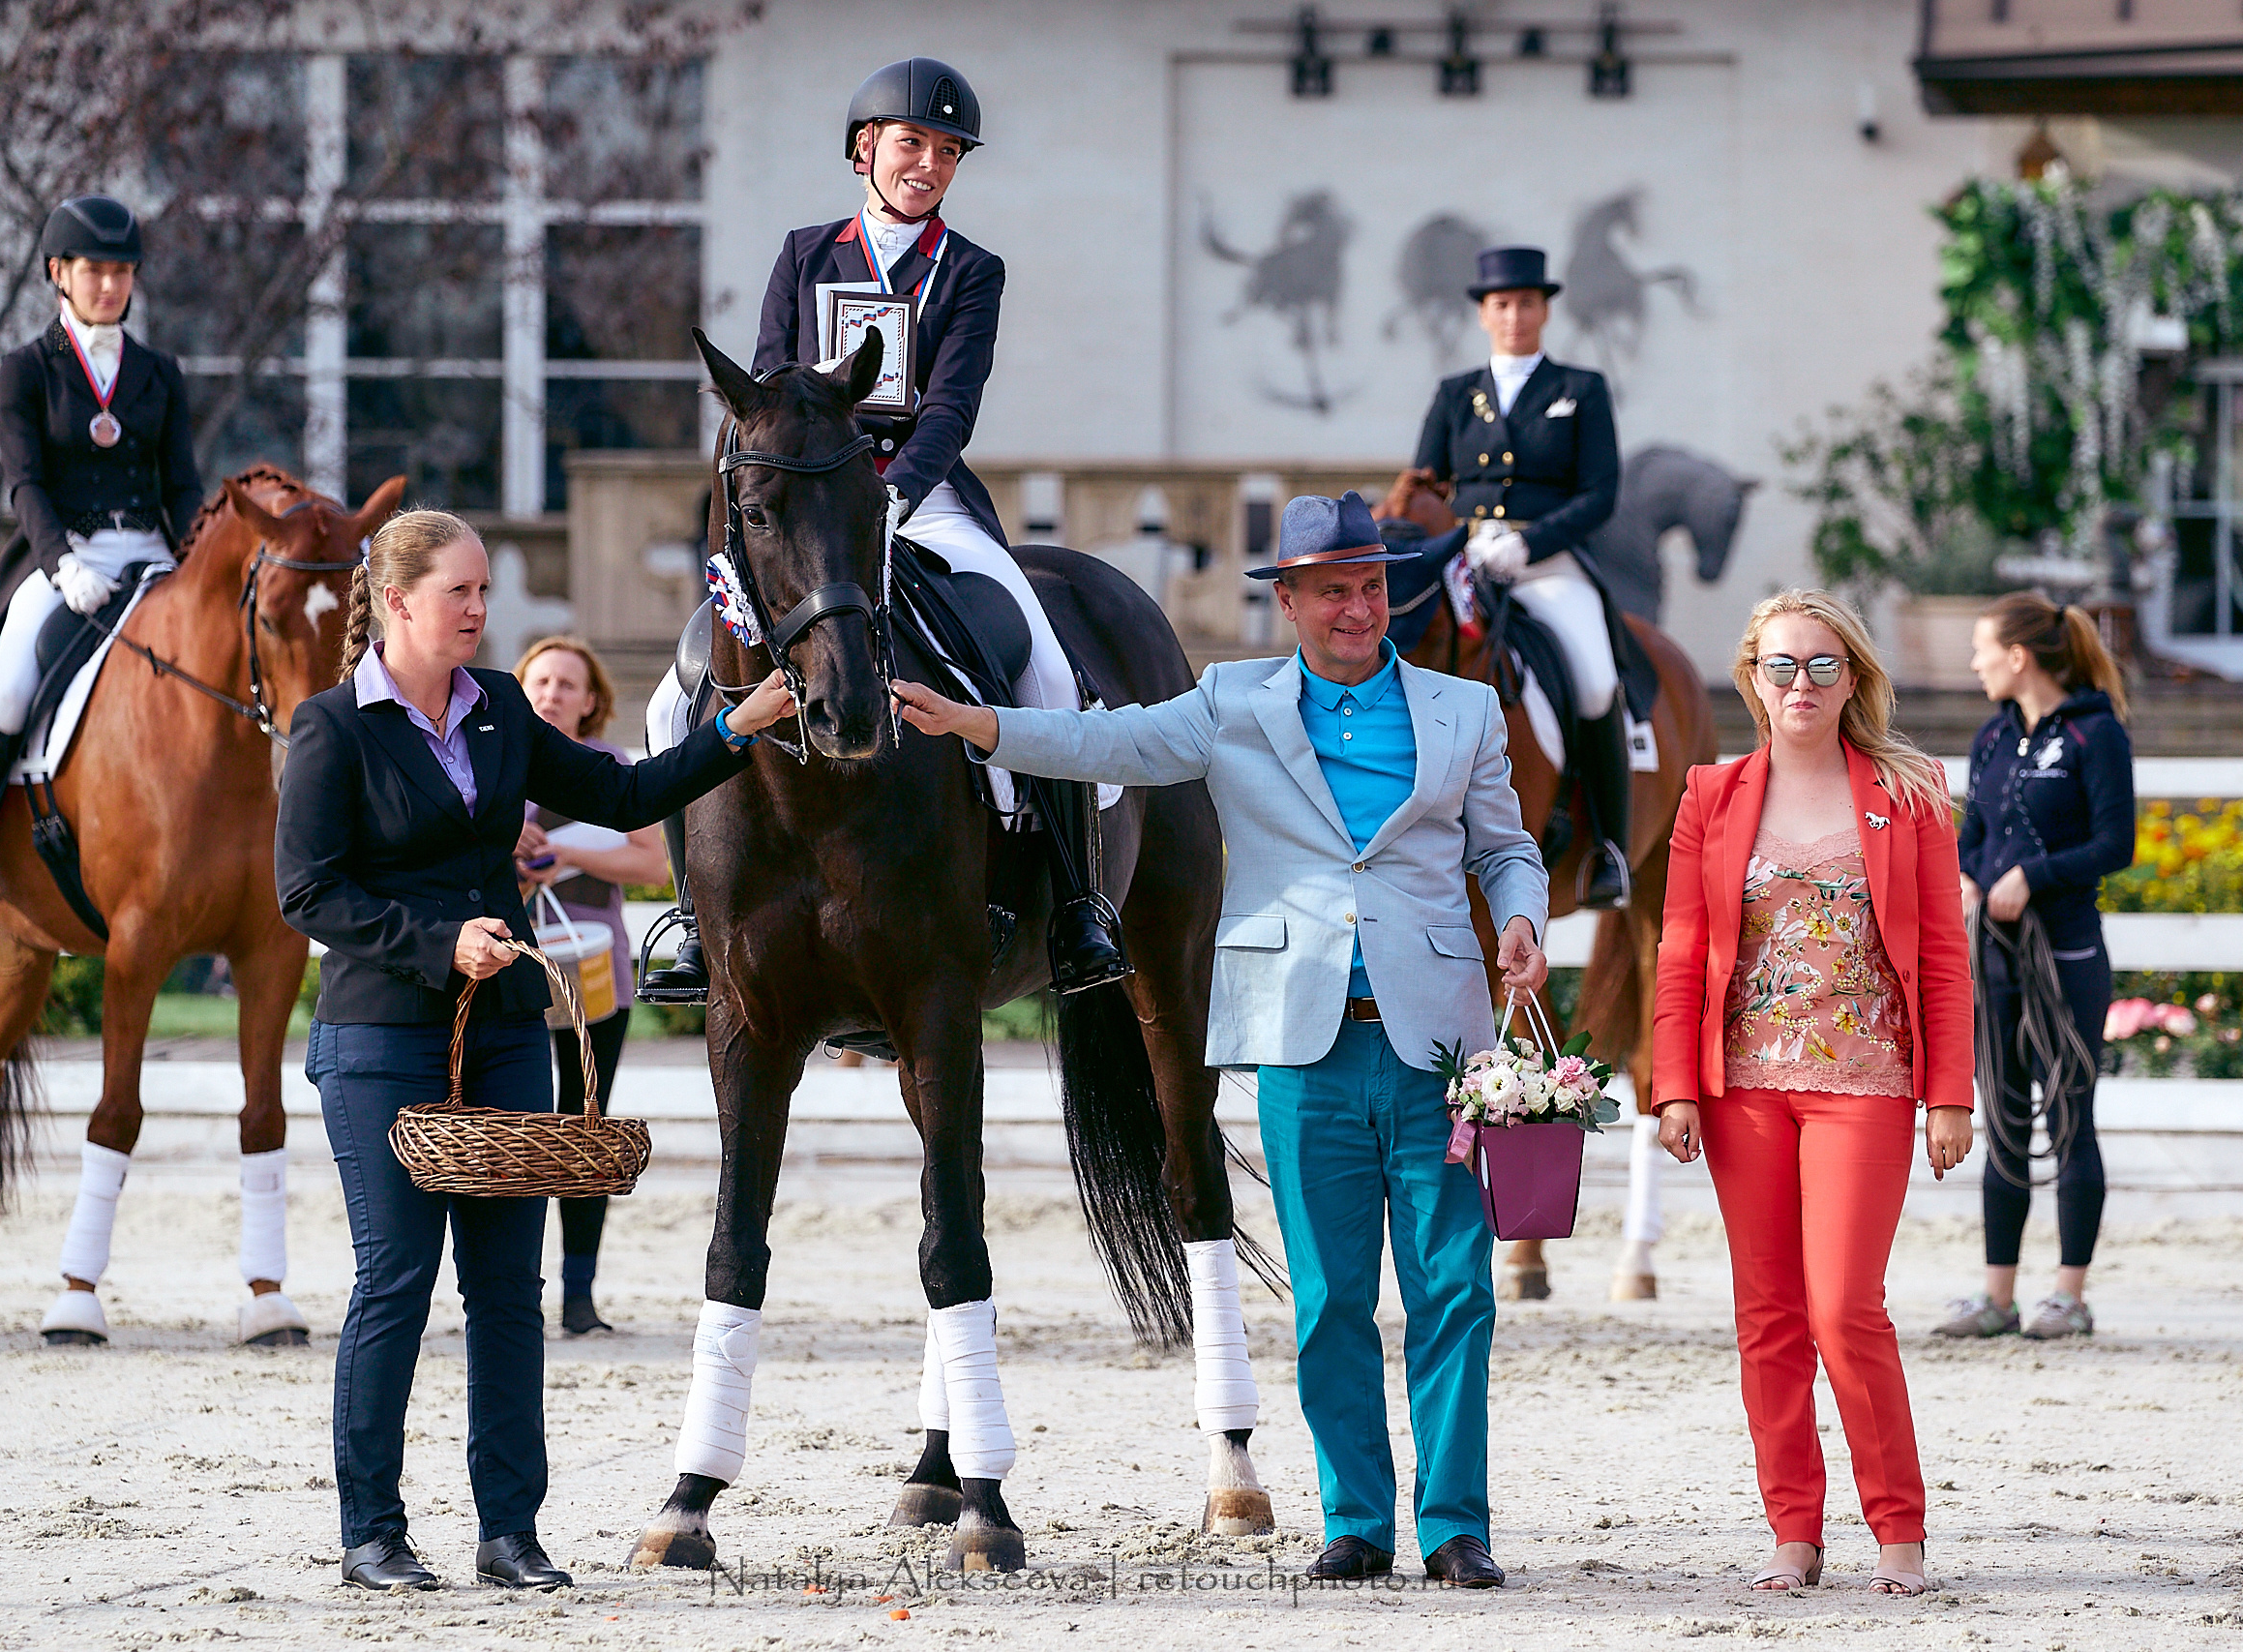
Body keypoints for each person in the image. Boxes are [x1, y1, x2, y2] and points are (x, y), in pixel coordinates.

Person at [893, 491, 1550, 1589]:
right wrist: (981, 727)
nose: (1357, 608)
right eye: (1332, 590)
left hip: (1438, 1044)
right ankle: (1355, 1522)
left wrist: (1521, 912)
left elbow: (1505, 846)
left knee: (1456, 1292)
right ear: (1286, 599)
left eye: (1372, 585)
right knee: (1333, 1298)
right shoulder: (1230, 702)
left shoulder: (1462, 711)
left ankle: (1454, 1526)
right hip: (1300, 1043)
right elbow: (1112, 739)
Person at [275, 509, 791, 1593]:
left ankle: (510, 1533)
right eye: (460, 592)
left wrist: (734, 729)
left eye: (482, 592)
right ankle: (373, 1533)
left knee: (509, 1289)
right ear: (400, 600)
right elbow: (308, 893)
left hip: (508, 1035)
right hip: (378, 1040)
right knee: (396, 1280)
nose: (479, 609)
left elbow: (619, 792)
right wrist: (434, 943)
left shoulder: (502, 708)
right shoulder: (332, 728)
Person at [643, 56, 1123, 1003]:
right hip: (811, 500)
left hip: (923, 490)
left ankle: (1075, 907)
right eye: (913, 143)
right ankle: (692, 921)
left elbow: (950, 407)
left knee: (1051, 676)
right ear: (866, 148)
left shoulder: (971, 271)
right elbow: (769, 388)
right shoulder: (805, 252)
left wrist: (894, 487)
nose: (930, 163)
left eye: (948, 152)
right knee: (675, 696)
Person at [1652, 588, 1975, 1599]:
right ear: (1750, 677)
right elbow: (1678, 952)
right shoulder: (1709, 793)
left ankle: (1898, 1532)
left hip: (1865, 1084)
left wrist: (1950, 1094)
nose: (1801, 683)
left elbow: (1942, 958)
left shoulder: (1907, 791)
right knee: (1767, 1316)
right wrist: (1674, 1089)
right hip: (1742, 1090)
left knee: (1844, 1308)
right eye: (1781, 665)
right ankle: (1793, 1532)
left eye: (1822, 666)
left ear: (1852, 679)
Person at [0, 195, 201, 920]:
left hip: (150, 554)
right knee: (11, 686)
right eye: (95, 270)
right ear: (58, 273)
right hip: (63, 557)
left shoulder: (160, 371)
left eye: (122, 271)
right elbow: (24, 483)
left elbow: (185, 484)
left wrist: (194, 560)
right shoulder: (26, 369)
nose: (110, 285)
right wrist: (62, 563)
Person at [1402, 244, 1630, 909]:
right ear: (1483, 313)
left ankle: (1609, 847)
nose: (1514, 314)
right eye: (1501, 304)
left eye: (1527, 302)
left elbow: (1601, 491)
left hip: (1546, 565)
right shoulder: (1454, 394)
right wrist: (1459, 541)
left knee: (1594, 679)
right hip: (1465, 561)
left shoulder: (1578, 390)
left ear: (1544, 309)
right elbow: (1424, 483)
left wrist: (1530, 543)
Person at [1937, 595, 2134, 1342]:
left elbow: (2117, 844)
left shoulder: (2096, 733)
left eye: (1983, 648)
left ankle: (2069, 1294)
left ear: (2019, 656)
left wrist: (2035, 875)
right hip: (1993, 954)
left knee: (2071, 1113)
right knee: (2004, 1117)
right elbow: (1974, 834)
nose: (1976, 661)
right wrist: (1966, 877)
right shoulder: (1992, 738)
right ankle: (1999, 1296)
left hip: (2068, 952)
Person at [513, 637, 665, 1337]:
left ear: (591, 700)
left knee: (584, 1125)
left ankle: (579, 1293)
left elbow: (649, 861)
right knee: (514, 1125)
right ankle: (514, 1286)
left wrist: (562, 852)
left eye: (567, 683)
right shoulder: (499, 757)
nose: (551, 692)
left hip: (596, 972)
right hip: (511, 967)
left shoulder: (611, 769)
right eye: (539, 680)